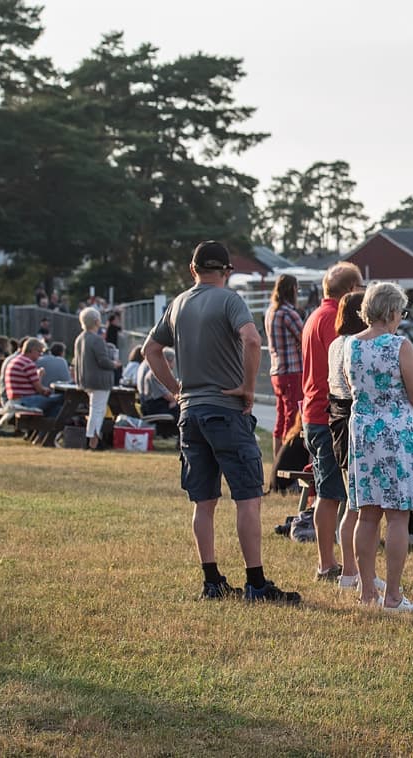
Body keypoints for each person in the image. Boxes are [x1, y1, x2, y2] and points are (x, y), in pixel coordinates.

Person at [144, 240, 299, 603]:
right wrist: (247, 388)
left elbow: (152, 350)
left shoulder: (177, 304)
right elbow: (251, 339)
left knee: (203, 501)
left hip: (190, 414)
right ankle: (256, 584)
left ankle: (212, 581)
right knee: (247, 497)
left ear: (193, 269)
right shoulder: (230, 300)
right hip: (226, 411)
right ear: (227, 271)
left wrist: (177, 389)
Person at [345, 282, 413, 612]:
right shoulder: (399, 345)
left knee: (367, 515)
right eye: (401, 312)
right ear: (392, 311)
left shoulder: (351, 344)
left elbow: (355, 386)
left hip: (363, 432)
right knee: (397, 516)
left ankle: (367, 591)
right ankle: (393, 595)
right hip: (395, 432)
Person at [301, 262, 364, 583]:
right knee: (330, 494)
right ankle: (328, 564)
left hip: (314, 411)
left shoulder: (315, 315)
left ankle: (334, 562)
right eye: (361, 287)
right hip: (327, 415)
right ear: (351, 290)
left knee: (329, 491)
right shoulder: (332, 319)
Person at [325, 291, 377, 591]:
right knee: (357, 506)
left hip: (337, 419)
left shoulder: (336, 343)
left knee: (354, 503)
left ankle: (353, 571)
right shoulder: (353, 345)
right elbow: (354, 385)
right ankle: (351, 571)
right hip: (350, 419)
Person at [265, 274, 304, 452]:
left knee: (280, 419)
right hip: (292, 371)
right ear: (293, 289)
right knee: (292, 418)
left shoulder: (271, 312)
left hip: (277, 371)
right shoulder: (288, 313)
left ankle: (276, 460)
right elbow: (304, 339)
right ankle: (287, 460)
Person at [75, 308, 121, 449]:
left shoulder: (80, 338)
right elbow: (103, 361)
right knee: (97, 411)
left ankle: (92, 439)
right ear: (96, 321)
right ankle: (93, 440)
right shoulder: (97, 340)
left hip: (85, 379)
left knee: (94, 409)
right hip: (99, 381)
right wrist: (114, 364)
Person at [3, 338, 64, 417]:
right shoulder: (28, 363)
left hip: (14, 400)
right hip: (26, 401)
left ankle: (50, 423)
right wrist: (46, 389)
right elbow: (39, 389)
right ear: (32, 350)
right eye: (39, 352)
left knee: (55, 408)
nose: (40, 355)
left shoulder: (15, 360)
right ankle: (57, 423)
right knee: (62, 398)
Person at [137, 347, 179, 420]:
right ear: (167, 361)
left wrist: (174, 401)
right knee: (184, 410)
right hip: (155, 407)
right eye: (173, 361)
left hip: (155, 405)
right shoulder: (157, 373)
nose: (174, 364)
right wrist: (175, 401)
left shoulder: (156, 371)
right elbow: (167, 396)